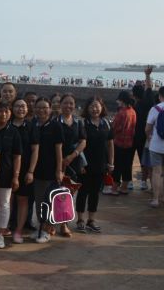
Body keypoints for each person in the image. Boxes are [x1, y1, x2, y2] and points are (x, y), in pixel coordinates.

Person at [76, 97, 114, 233]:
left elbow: (110, 144)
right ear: (87, 108)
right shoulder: (82, 124)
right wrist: (80, 164)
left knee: (95, 192)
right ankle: (80, 219)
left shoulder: (106, 123)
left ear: (102, 107)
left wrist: (111, 163)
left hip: (101, 164)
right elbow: (79, 144)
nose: (94, 109)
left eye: (97, 106)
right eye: (92, 106)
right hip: (85, 165)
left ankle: (91, 220)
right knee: (83, 191)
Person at [30, 98, 64, 244]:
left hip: (50, 170)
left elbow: (59, 151)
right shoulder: (33, 124)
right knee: (39, 201)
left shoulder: (56, 126)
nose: (41, 110)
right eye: (38, 107)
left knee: (49, 202)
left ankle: (46, 230)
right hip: (35, 170)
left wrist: (59, 170)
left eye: (45, 108)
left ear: (50, 109)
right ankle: (41, 227)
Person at [0, 102, 22, 249]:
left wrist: (16, 176)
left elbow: (17, 156)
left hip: (6, 173)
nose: (3, 114)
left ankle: (0, 234)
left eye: (6, 111)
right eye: (0, 111)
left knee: (4, 205)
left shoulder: (14, 131)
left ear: (10, 113)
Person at [57, 93, 86, 237]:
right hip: (57, 162)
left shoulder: (78, 122)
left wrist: (72, 156)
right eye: (65, 103)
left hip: (73, 163)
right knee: (55, 193)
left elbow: (83, 141)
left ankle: (65, 224)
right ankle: (52, 222)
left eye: (71, 103)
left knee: (68, 193)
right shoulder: (55, 122)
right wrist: (61, 160)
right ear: (60, 105)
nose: (68, 106)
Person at [10, 98, 39, 244]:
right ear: (12, 108)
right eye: (17, 106)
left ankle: (18, 230)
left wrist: (31, 171)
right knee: (6, 200)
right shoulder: (6, 124)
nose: (20, 109)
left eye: (23, 106)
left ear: (27, 109)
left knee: (22, 200)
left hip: (25, 169)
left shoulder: (31, 127)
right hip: (6, 168)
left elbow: (35, 150)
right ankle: (3, 228)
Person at [133, 67, 156, 190]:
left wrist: (147, 75)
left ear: (134, 95)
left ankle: (132, 182)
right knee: (147, 160)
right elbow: (149, 87)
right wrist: (147, 75)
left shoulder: (133, 106)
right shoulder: (149, 102)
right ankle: (145, 182)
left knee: (132, 158)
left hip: (135, 135)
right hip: (148, 135)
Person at [111, 91, 136, 195]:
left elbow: (115, 128)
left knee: (117, 165)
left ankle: (114, 188)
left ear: (122, 100)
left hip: (119, 142)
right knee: (127, 165)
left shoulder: (121, 113)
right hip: (130, 142)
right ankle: (124, 187)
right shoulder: (132, 111)